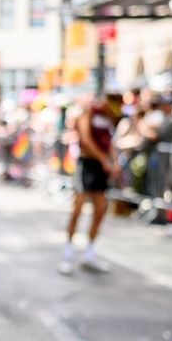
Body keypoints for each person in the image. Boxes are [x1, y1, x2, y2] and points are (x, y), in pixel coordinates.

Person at [59, 94, 120, 275]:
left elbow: (109, 143)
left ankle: (89, 252)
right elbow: (85, 139)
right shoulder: (87, 114)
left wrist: (114, 161)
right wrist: (104, 160)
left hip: (100, 168)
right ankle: (68, 253)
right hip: (86, 165)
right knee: (77, 209)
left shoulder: (107, 119)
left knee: (100, 209)